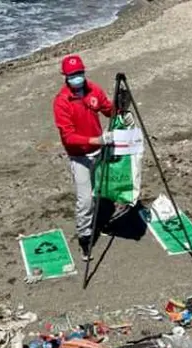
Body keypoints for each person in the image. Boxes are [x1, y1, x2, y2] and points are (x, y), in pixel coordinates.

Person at [52, 54, 133, 261]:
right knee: (85, 200)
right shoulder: (62, 102)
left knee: (102, 190)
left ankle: (104, 220)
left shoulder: (93, 90)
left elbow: (107, 109)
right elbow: (69, 138)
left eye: (79, 73)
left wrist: (121, 112)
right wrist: (98, 140)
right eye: (72, 75)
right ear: (66, 77)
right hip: (80, 156)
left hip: (100, 153)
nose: (77, 78)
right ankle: (85, 237)